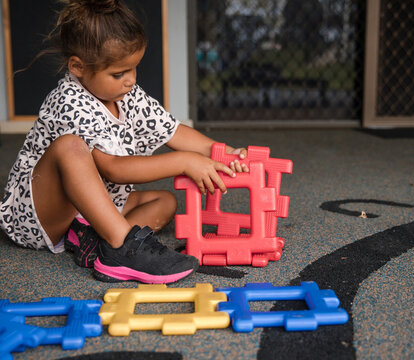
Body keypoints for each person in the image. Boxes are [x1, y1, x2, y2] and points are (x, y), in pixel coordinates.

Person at [0, 0, 248, 284]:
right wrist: (184, 161)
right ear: (78, 67)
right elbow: (114, 169)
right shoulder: (69, 100)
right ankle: (120, 247)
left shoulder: (126, 94)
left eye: (134, 68)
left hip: (87, 210)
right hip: (39, 216)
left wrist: (222, 152)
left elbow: (173, 131)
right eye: (119, 73)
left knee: (164, 201)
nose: (130, 80)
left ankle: (94, 243)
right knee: (69, 146)